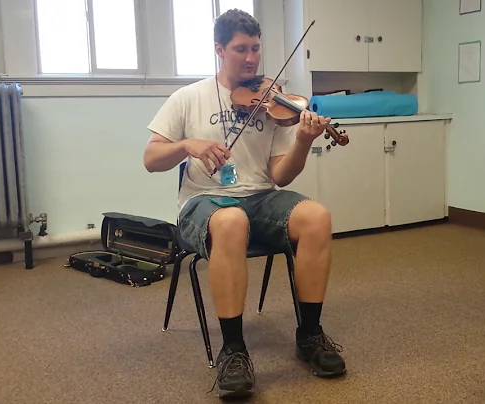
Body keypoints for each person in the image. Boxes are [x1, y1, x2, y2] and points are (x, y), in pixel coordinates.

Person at [142, 8, 346, 398]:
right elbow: (151, 159)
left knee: (317, 217)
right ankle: (233, 350)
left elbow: (281, 176)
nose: (251, 57)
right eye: (240, 49)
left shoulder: (273, 102)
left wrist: (303, 140)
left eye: (255, 48)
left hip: (261, 197)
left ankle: (310, 335)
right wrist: (188, 145)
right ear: (220, 49)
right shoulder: (189, 97)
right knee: (231, 221)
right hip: (204, 203)